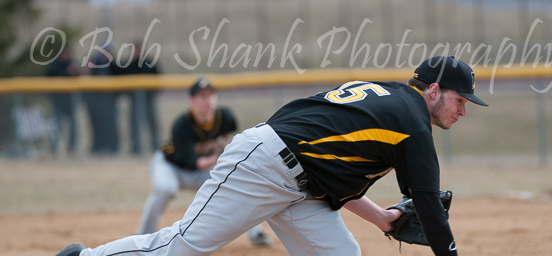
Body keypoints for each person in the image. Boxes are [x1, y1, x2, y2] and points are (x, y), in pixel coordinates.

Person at [56, 55, 488, 256]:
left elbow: (326, 169)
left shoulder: (392, 102)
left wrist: (382, 218)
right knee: (185, 245)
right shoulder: (410, 122)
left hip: (301, 184)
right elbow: (429, 207)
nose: (463, 108)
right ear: (433, 90)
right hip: (266, 163)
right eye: (460, 99)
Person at [136, 77, 272, 246]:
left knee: (235, 185)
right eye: (202, 96)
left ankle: (256, 233)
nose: (208, 100)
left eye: (211, 95)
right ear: (192, 100)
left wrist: (224, 148)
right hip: (170, 166)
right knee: (165, 189)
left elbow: (229, 135)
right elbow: (194, 162)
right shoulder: (182, 124)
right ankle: (143, 235)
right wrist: (220, 157)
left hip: (201, 169)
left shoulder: (225, 117)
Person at [115, 42, 160, 154]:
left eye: (139, 49)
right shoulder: (130, 64)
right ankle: (136, 148)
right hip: (135, 100)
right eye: (135, 50)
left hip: (148, 99)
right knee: (134, 124)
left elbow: (158, 78)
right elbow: (118, 74)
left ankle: (155, 146)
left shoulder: (150, 63)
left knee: (152, 123)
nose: (137, 52)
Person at [84, 48, 120, 155]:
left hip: (109, 102)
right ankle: (97, 148)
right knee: (96, 126)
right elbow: (84, 79)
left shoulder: (113, 66)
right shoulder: (94, 65)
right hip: (95, 103)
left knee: (111, 126)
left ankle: (113, 148)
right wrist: (89, 65)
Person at [47, 47, 81, 153]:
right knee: (56, 125)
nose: (65, 55)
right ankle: (54, 147)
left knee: (74, 126)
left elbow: (79, 77)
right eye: (63, 53)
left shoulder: (71, 63)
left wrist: (76, 72)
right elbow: (49, 79)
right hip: (58, 102)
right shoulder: (54, 66)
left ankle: (72, 147)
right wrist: (67, 72)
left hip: (71, 101)